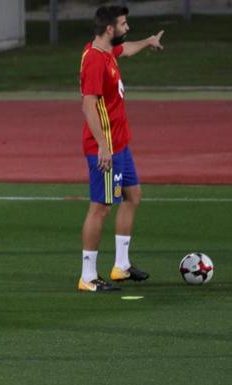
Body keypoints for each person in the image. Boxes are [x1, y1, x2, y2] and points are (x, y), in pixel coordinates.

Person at [77, 5, 164, 292]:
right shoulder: (94, 61)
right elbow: (88, 105)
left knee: (132, 194)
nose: (128, 28)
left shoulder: (106, 53)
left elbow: (125, 50)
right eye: (124, 24)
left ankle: (121, 266)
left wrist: (149, 41)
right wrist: (103, 145)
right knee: (100, 207)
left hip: (120, 145)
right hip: (106, 148)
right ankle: (88, 277)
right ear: (110, 29)